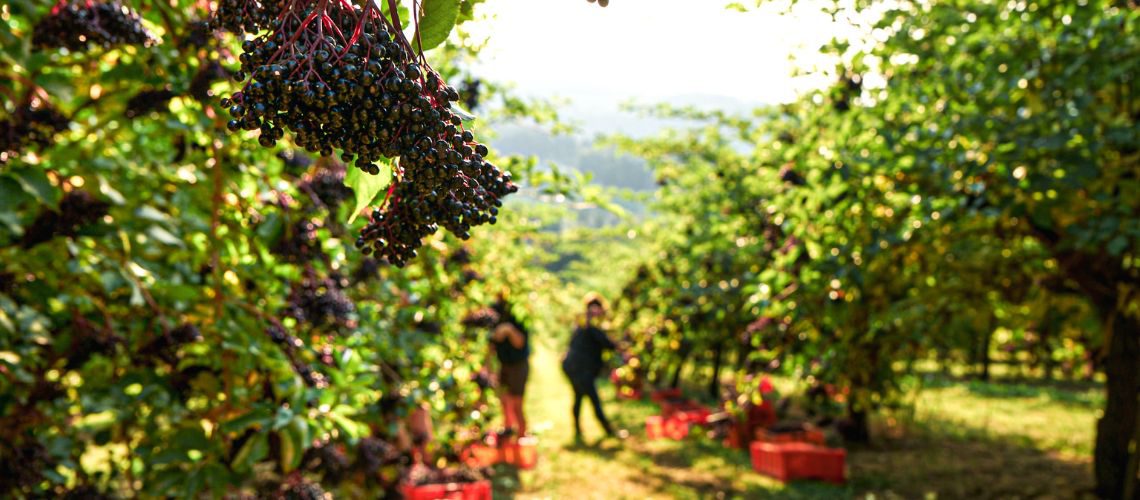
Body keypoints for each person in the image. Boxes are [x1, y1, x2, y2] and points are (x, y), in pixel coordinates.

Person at [562, 293, 626, 441]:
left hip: (574, 366)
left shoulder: (584, 323)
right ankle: (608, 431)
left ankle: (578, 431)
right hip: (579, 367)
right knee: (593, 399)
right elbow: (607, 344)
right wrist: (620, 345)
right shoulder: (589, 325)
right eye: (593, 308)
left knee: (578, 397)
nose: (596, 311)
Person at [486, 296, 530, 439]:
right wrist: (488, 368)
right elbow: (491, 344)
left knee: (517, 404)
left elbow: (520, 343)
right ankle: (508, 434)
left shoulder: (518, 311)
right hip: (503, 364)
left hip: (518, 365)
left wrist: (509, 330)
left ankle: (521, 436)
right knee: (504, 402)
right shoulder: (493, 310)